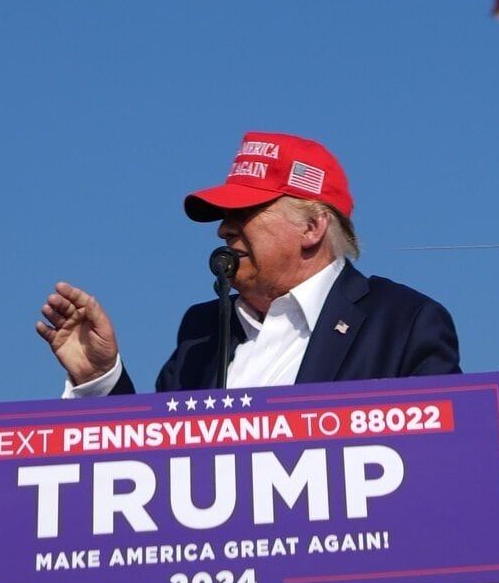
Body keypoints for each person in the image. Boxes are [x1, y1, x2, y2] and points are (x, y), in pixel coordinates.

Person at [39, 132, 459, 396]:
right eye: (223, 217)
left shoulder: (402, 323)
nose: (224, 230)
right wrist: (100, 379)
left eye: (244, 214)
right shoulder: (202, 332)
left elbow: (452, 455)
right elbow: (154, 471)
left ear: (312, 227)